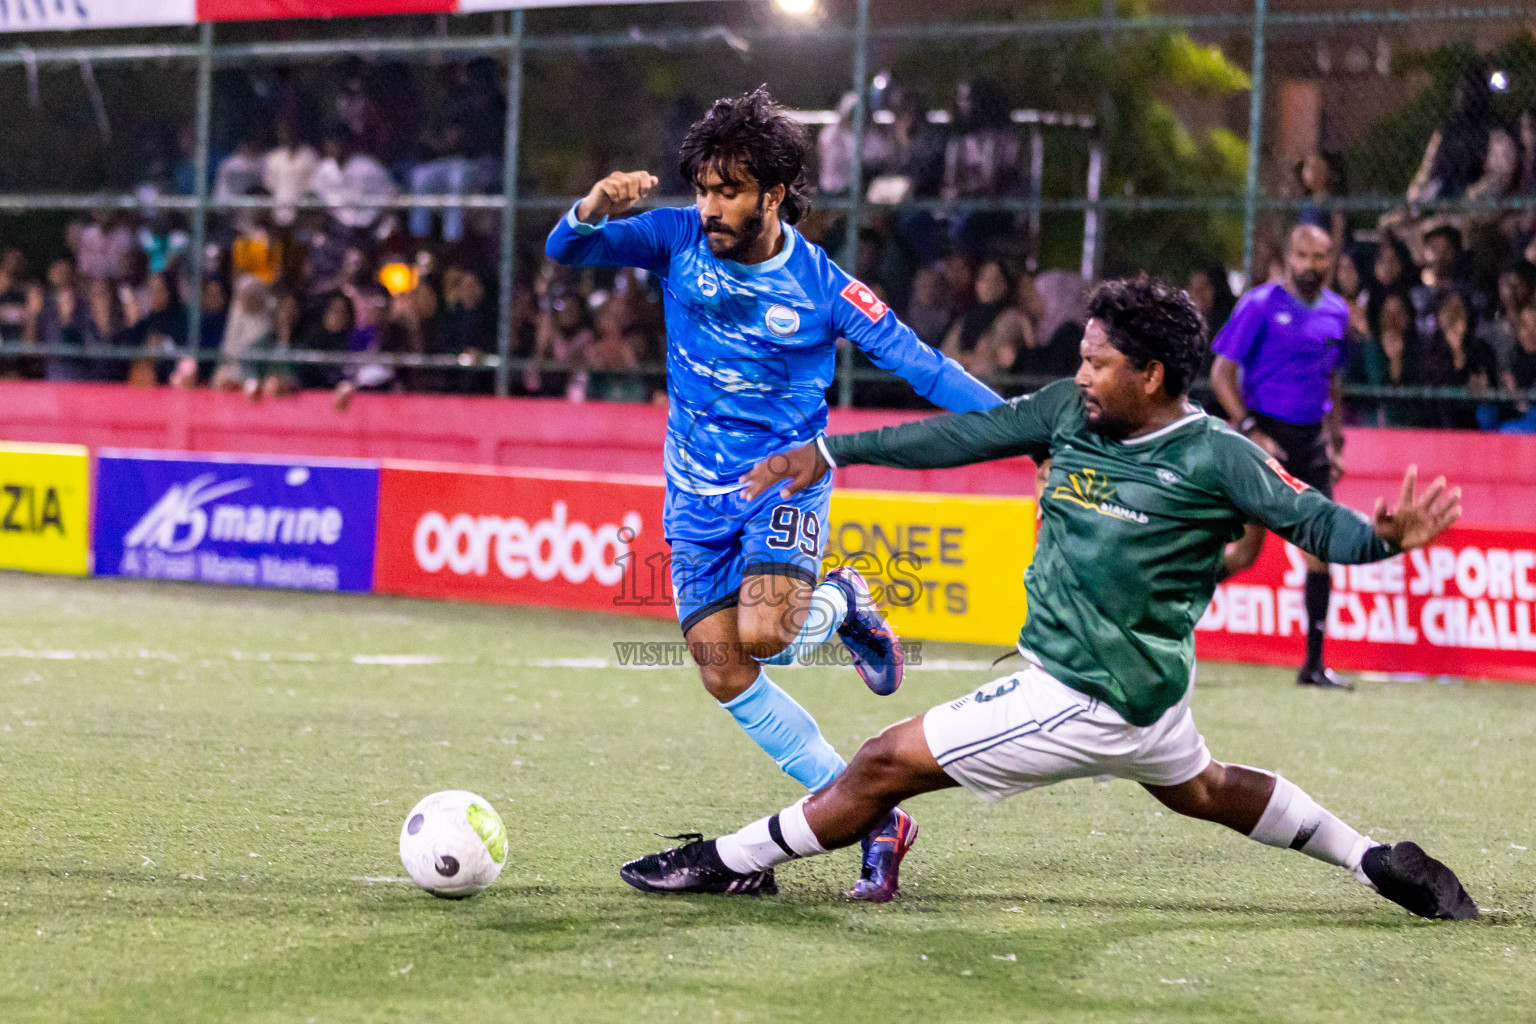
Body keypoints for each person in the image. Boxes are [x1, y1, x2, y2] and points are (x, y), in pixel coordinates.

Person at [620, 275, 1478, 927]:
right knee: (1206, 789)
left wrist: (1387, 536)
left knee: (883, 762)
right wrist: (836, 453)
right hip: (1147, 694)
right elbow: (964, 435)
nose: (1081, 372)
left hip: (1083, 692)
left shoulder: (1220, 456)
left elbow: (1319, 525)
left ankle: (729, 859)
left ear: (1150, 373)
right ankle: (1374, 860)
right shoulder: (1072, 411)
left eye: (1098, 360)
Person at [545, 86, 1002, 901]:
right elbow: (566, 251)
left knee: (763, 633)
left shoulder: (824, 286)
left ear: (775, 193)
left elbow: (925, 366)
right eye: (704, 188)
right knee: (723, 669)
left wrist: (1023, 428)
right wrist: (590, 207)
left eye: (729, 191)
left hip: (782, 487)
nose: (711, 206)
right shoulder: (674, 236)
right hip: (691, 495)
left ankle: (840, 602)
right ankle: (878, 816)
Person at [1210, 224, 1351, 691]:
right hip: (1263, 438)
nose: (1313, 265)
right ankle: (1172, 605)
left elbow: (1332, 379)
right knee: (1247, 553)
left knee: (1320, 552)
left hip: (1310, 443)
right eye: (1305, 255)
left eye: (1321, 257)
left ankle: (1313, 665)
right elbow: (1221, 374)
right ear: (1289, 257)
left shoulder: (1337, 312)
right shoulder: (1259, 304)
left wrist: (1334, 439)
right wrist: (1249, 428)